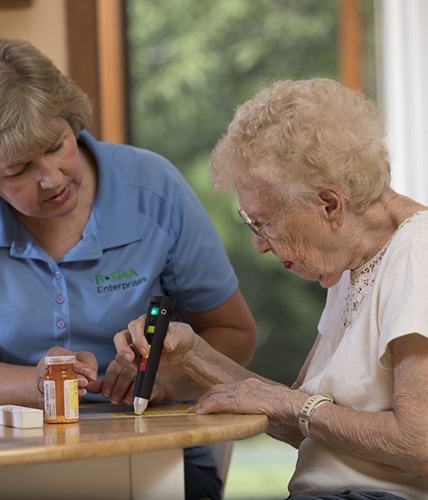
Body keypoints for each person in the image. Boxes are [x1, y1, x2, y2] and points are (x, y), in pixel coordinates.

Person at [0, 36, 256, 500]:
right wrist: (38, 383)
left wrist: (160, 378)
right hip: (4, 454)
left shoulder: (153, 187)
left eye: (57, 145)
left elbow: (233, 333)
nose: (53, 178)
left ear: (72, 122)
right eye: (19, 170)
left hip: (156, 454)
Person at [114, 78, 428, 500]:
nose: (259, 245)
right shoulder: (352, 262)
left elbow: (418, 443)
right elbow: (300, 423)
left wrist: (292, 407)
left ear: (330, 205)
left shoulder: (417, 255)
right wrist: (191, 354)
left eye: (264, 223)